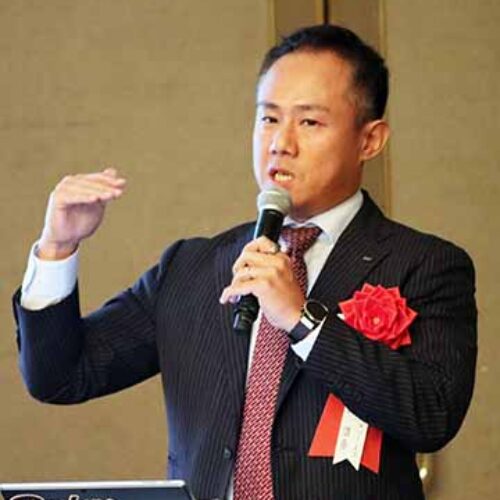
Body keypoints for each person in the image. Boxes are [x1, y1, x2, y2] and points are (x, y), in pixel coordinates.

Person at [13, 24, 477, 500]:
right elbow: (60, 377)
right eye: (269, 118)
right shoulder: (190, 268)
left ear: (370, 140)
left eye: (309, 122)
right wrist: (57, 247)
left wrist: (302, 319)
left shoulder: (425, 265)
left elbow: (432, 414)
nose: (281, 143)